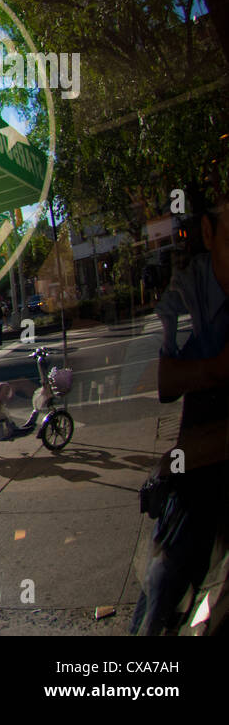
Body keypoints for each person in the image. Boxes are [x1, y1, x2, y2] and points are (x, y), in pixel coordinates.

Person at [133, 188, 229, 635]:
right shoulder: (192, 288)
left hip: (200, 464)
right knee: (161, 592)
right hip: (196, 484)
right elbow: (166, 384)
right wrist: (213, 369)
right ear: (209, 233)